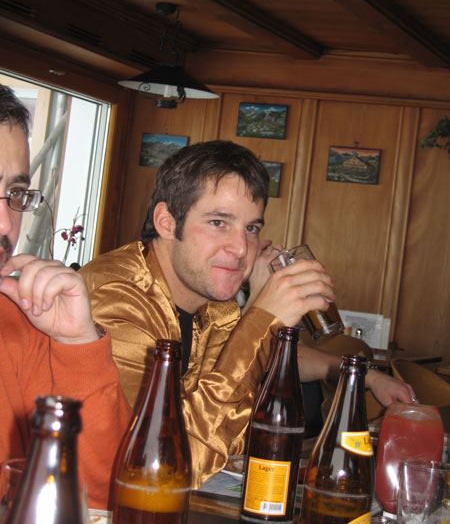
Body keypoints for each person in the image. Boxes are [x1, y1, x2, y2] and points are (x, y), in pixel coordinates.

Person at [80, 140, 415, 488]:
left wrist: (363, 376)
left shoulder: (213, 302)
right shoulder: (115, 300)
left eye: (251, 228)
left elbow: (255, 363)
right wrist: (262, 316)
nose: (242, 249)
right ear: (167, 222)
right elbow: (157, 465)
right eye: (218, 222)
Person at [0, 84, 131, 509]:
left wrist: (78, 345)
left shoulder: (22, 320)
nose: (6, 224)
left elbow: (104, 496)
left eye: (15, 194)